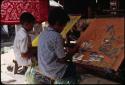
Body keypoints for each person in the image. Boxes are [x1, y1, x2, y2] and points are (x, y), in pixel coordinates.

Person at [37, 7, 80, 84]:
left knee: (72, 64)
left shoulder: (43, 33)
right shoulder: (56, 36)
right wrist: (73, 52)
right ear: (57, 23)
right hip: (54, 72)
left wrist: (65, 48)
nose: (63, 29)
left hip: (43, 68)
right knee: (82, 68)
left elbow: (51, 49)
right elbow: (62, 60)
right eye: (63, 26)